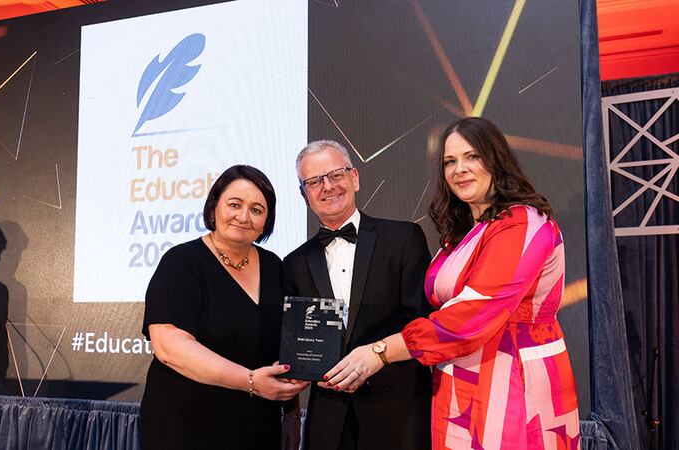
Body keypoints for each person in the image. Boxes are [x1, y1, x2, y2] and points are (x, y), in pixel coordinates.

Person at [326, 117, 581, 449]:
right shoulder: (461, 234)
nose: (459, 169)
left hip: (514, 381)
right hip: (459, 381)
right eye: (450, 161)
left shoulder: (523, 222)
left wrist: (381, 352)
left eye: (472, 156)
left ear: (496, 159)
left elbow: (471, 316)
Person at [140, 165, 309, 450]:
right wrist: (250, 380)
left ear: (267, 220)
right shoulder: (182, 261)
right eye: (234, 204)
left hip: (258, 424)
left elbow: (286, 349)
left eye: (257, 210)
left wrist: (291, 414)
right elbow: (169, 346)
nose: (244, 216)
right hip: (187, 424)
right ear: (214, 207)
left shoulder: (274, 266)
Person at [283, 141, 433, 450]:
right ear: (304, 194)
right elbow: (299, 342)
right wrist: (302, 371)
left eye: (335, 174)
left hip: (398, 415)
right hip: (329, 422)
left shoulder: (403, 238)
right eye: (314, 181)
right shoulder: (294, 263)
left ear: (355, 178)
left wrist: (377, 358)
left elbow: (422, 324)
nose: (327, 186)